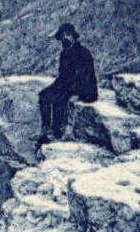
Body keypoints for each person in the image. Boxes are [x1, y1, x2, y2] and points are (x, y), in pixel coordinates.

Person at [36, 22, 98, 150]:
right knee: (44, 95)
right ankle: (45, 128)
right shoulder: (64, 54)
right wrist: (53, 88)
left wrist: (77, 93)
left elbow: (84, 76)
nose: (65, 38)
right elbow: (62, 76)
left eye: (68, 35)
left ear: (74, 36)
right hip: (69, 84)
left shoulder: (83, 52)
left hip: (84, 87)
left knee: (60, 99)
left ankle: (56, 132)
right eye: (63, 36)